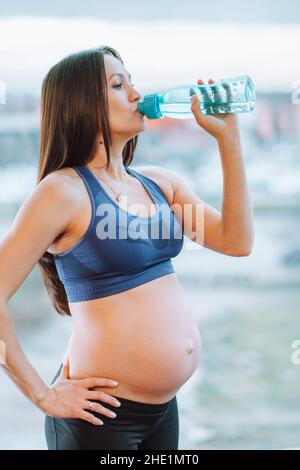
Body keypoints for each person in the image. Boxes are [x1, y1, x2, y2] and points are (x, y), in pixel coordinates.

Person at [0, 45, 254, 450]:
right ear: (82, 105)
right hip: (101, 419)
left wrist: (229, 139)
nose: (137, 94)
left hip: (164, 411)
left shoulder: (160, 184)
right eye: (118, 85)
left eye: (132, 81)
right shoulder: (62, 192)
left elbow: (236, 242)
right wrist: (42, 396)